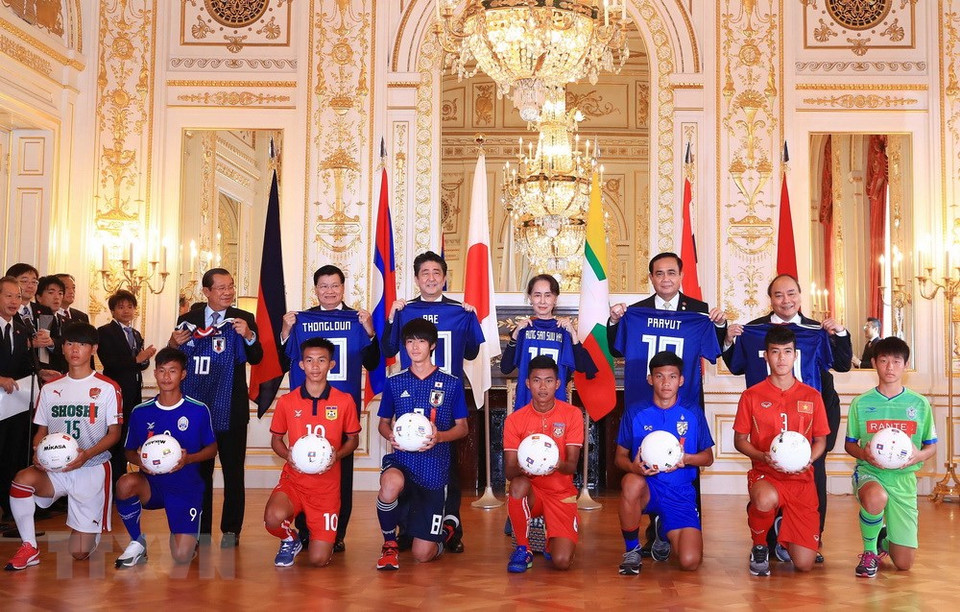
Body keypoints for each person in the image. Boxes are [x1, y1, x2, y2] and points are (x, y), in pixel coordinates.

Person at [723, 273, 852, 562]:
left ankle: (811, 538)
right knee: (768, 477)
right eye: (779, 295)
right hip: (767, 419)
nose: (786, 300)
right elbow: (735, 366)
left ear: (800, 295)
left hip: (809, 417)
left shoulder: (816, 329)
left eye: (791, 293)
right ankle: (767, 541)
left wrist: (840, 333)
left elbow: (842, 364)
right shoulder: (754, 329)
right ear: (770, 299)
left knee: (814, 477)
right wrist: (729, 339)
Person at [607, 252, 725, 557]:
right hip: (644, 400)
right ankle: (650, 533)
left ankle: (680, 526)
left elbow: (715, 351)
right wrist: (614, 321)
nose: (666, 279)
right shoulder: (636, 311)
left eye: (671, 272)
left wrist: (721, 327)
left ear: (681, 275)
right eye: (659, 273)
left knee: (681, 466)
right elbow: (614, 346)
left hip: (684, 403)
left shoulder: (699, 313)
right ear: (651, 278)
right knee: (645, 464)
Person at [381, 250, 483, 552]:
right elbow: (388, 347)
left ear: (445, 277)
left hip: (446, 397)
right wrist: (391, 317)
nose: (430, 278)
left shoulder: (459, 309)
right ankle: (409, 528)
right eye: (424, 273)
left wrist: (470, 317)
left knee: (447, 469)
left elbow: (472, 354)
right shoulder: (405, 309)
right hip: (412, 398)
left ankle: (451, 530)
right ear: (416, 278)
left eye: (436, 272)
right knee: (410, 463)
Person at [4, 322, 121, 571]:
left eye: (81, 344)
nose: (74, 349)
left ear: (93, 349)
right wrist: (38, 452)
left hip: (91, 467)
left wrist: (85, 454)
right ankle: (29, 547)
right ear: (63, 349)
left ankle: (89, 528)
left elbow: (114, 434)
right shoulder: (51, 388)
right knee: (22, 479)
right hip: (55, 469)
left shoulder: (108, 388)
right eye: (69, 343)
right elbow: (42, 431)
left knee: (78, 553)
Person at [280, 264, 379, 551]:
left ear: (343, 288)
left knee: (340, 474)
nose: (329, 291)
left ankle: (337, 534)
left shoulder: (357, 320)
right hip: (305, 411)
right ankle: (306, 532)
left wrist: (370, 333)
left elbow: (372, 363)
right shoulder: (300, 321)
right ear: (315, 290)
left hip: (340, 411)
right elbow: (282, 359)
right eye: (323, 286)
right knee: (304, 472)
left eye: (335, 285)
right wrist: (286, 331)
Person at [169, 267, 262, 548]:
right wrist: (173, 343)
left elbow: (257, 357)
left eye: (231, 287)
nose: (228, 292)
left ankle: (232, 530)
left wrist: (249, 336)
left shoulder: (244, 319)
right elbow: (176, 359)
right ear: (206, 291)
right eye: (221, 288)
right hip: (197, 412)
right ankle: (201, 531)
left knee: (234, 472)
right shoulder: (188, 320)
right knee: (200, 473)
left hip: (232, 408)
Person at [733, 326, 830, 576]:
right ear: (766, 355)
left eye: (787, 352)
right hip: (767, 474)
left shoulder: (812, 396)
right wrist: (761, 456)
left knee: (805, 565)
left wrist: (809, 459)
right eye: (775, 352)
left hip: (801, 479)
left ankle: (781, 523)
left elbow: (821, 440)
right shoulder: (751, 395)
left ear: (795, 355)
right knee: (765, 500)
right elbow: (740, 440)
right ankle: (760, 545)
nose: (781, 358)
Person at [375, 318, 468, 570]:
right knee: (390, 483)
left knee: (422, 554)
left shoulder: (451, 383)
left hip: (433, 470)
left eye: (421, 341)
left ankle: (447, 529)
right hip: (402, 461)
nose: (415, 347)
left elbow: (462, 428)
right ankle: (389, 544)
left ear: (432, 345)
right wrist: (390, 435)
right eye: (409, 341)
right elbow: (383, 423)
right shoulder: (394, 381)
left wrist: (439, 437)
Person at [114, 348, 218, 568]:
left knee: (182, 556)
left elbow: (212, 449)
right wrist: (140, 461)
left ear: (183, 374)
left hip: (186, 487)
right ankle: (137, 541)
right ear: (155, 373)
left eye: (173, 371)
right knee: (124, 484)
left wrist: (188, 459)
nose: (166, 377)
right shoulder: (141, 412)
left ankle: (185, 533)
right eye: (162, 371)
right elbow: (128, 450)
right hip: (151, 485)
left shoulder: (198, 410)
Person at [845, 337, 937, 578]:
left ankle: (882, 540)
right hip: (870, 473)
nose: (889, 367)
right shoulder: (861, 403)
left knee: (904, 564)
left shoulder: (919, 404)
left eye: (896, 361)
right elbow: (849, 444)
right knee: (876, 497)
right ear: (874, 362)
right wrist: (863, 453)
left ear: (905, 365)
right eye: (884, 361)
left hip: (904, 481)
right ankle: (868, 554)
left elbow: (931, 447)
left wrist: (919, 454)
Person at [264, 337, 360, 567]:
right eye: (309, 360)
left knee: (318, 560)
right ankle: (290, 539)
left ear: (331, 365)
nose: (315, 366)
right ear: (301, 365)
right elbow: (276, 440)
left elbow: (353, 440)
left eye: (321, 360)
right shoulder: (287, 401)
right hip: (294, 482)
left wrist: (336, 456)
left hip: (326, 490)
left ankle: (316, 539)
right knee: (272, 518)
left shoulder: (344, 401)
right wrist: (288, 455)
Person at [615, 351, 714, 575]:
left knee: (690, 562)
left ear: (681, 380)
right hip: (648, 488)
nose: (666, 382)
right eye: (659, 376)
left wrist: (686, 459)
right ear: (650, 379)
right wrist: (633, 467)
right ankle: (632, 550)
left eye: (671, 377)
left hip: (679, 492)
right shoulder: (636, 412)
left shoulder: (692, 412)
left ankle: (662, 530)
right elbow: (619, 457)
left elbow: (707, 457)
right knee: (631, 482)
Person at [503, 355, 583, 573]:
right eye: (537, 380)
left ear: (557, 384)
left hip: (560, 493)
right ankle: (523, 547)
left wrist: (556, 464)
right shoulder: (515, 420)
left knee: (561, 561)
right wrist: (523, 466)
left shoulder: (573, 414)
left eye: (549, 380)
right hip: (533, 490)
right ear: (527, 383)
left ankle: (551, 532)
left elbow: (572, 466)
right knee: (518, 486)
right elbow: (509, 471)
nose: (543, 387)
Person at [500, 274, 597, 410]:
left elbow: (586, 368)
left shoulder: (564, 331)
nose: (542, 301)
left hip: (556, 405)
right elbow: (505, 368)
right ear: (530, 298)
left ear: (555, 299)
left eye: (548, 295)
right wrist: (515, 335)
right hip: (528, 402)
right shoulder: (522, 330)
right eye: (537, 295)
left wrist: (573, 335)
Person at [98, 290, 157, 487]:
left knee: (128, 436)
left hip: (133, 392)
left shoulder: (135, 333)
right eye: (121, 307)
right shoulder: (105, 331)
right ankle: (113, 481)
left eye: (130, 307)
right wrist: (136, 359)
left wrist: (144, 360)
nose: (126, 310)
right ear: (113, 310)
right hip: (114, 391)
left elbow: (140, 365)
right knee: (114, 435)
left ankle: (123, 480)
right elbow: (109, 363)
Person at [0, 277, 36, 526]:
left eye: (19, 296)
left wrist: (40, 372)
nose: (15, 302)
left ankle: (9, 509)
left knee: (11, 456)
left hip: (14, 406)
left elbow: (24, 364)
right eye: (9, 295)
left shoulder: (22, 327)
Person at [34, 275, 67, 373]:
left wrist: (52, 343)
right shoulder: (31, 319)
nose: (57, 297)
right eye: (51, 292)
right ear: (39, 297)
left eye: (60, 293)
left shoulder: (68, 322)